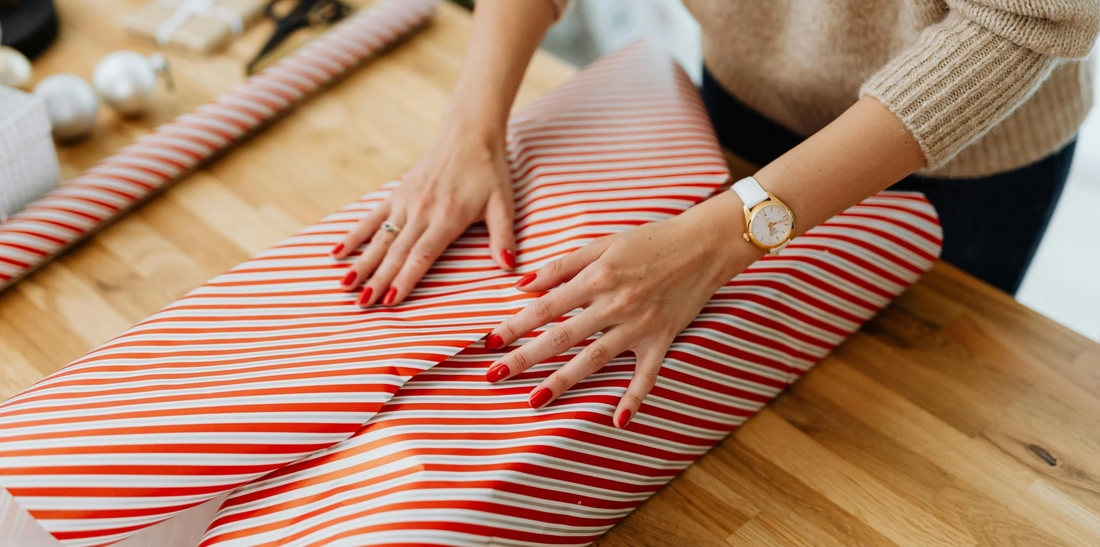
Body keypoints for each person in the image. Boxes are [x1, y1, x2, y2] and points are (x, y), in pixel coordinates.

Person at [331, 0, 1099, 427]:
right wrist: (470, 126)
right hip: (739, 96)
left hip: (961, 161)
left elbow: (1018, 20)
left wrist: (720, 238)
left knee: (898, 426)